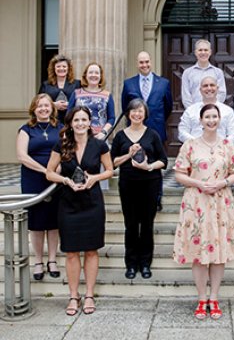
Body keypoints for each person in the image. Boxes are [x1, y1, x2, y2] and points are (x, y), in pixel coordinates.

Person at [173, 104, 234, 320]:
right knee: (199, 254)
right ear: (201, 120)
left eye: (215, 117)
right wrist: (198, 183)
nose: (211, 120)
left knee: (218, 252)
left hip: (221, 202)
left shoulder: (227, 145)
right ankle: (201, 297)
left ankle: (214, 297)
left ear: (219, 119)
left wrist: (223, 182)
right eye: (207, 117)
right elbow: (178, 174)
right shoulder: (190, 145)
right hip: (196, 202)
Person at [46, 106, 113, 316]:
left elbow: (110, 170)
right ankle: (74, 296)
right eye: (77, 120)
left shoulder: (100, 145)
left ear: (89, 122)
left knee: (92, 251)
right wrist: (65, 180)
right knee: (72, 252)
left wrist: (95, 178)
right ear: (71, 123)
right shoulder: (62, 144)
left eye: (84, 120)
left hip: (92, 203)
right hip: (68, 203)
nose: (81, 123)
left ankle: (90, 294)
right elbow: (49, 173)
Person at [111, 99, 168, 281]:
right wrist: (128, 153)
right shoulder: (120, 136)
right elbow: (112, 163)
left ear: (145, 114)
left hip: (150, 183)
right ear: (128, 113)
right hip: (128, 184)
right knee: (131, 224)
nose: (137, 114)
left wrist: (148, 167)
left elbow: (163, 161)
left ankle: (145, 264)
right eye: (133, 111)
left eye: (140, 111)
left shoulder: (152, 134)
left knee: (147, 224)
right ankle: (131, 264)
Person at [16, 94, 63, 281]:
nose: (43, 109)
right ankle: (38, 261)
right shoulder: (26, 129)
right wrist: (46, 170)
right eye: (39, 106)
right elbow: (22, 156)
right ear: (33, 109)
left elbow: (66, 152)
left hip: (55, 179)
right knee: (36, 222)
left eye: (46, 105)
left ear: (52, 108)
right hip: (33, 178)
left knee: (53, 221)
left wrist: (56, 170)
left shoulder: (60, 128)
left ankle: (52, 260)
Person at [121, 51, 172, 211]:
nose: (144, 65)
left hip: (156, 129)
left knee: (156, 165)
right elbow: (125, 107)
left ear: (151, 62)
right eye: (141, 62)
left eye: (147, 62)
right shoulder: (129, 84)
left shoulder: (163, 83)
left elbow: (168, 106)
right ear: (137, 63)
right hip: (134, 130)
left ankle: (157, 198)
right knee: (135, 162)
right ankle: (137, 198)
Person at [178, 75, 234, 145]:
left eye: (212, 85)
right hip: (195, 151)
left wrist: (221, 145)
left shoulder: (228, 111)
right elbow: (182, 132)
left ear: (217, 88)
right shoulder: (190, 110)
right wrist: (197, 143)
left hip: (221, 152)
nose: (209, 88)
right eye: (205, 86)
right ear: (200, 90)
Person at [67, 62, 115, 139]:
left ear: (100, 76)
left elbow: (111, 118)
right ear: (85, 75)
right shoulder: (76, 93)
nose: (93, 75)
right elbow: (68, 115)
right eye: (90, 72)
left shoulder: (107, 95)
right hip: (79, 135)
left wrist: (103, 132)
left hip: (100, 137)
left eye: (96, 73)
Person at [181, 39, 226, 109]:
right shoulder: (187, 73)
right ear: (195, 52)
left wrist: (211, 109)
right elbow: (186, 96)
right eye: (200, 50)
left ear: (210, 52)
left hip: (213, 113)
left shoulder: (218, 72)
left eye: (206, 50)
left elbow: (221, 94)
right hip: (193, 114)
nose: (203, 52)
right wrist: (193, 111)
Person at [39, 54, 81, 122]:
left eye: (64, 66)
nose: (61, 69)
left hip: (72, 121)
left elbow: (82, 102)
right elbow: (38, 102)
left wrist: (70, 104)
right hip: (51, 120)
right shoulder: (46, 85)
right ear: (54, 68)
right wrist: (53, 105)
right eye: (58, 66)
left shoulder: (77, 84)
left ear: (68, 68)